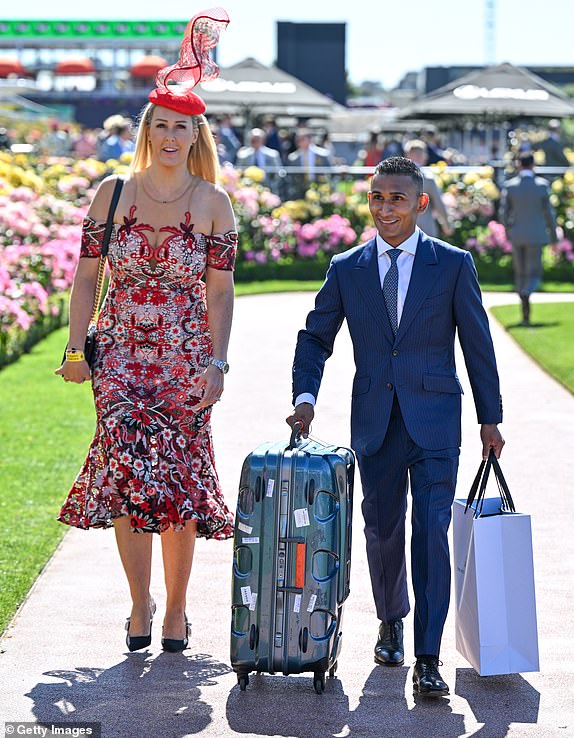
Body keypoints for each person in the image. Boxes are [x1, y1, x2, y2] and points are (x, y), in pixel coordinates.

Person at [287, 156, 504, 698]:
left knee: (430, 532)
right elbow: (315, 338)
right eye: (377, 197)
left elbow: (478, 345)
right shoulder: (347, 268)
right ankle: (391, 621)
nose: (386, 208)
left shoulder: (452, 265)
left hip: (435, 424)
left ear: (421, 204)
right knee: (382, 532)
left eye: (398, 198)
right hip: (376, 424)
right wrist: (305, 397)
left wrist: (490, 419)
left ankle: (427, 657)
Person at [55, 8, 235, 654]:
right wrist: (78, 349)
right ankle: (139, 604)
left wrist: (217, 365)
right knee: (130, 480)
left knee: (180, 484)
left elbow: (221, 291)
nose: (168, 136)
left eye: (179, 127)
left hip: (186, 361)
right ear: (146, 132)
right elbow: (86, 277)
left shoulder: (215, 204)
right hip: (121, 359)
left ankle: (178, 611)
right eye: (159, 125)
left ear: (195, 134)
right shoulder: (111, 193)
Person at [499, 151, 558, 325]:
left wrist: (509, 230)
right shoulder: (542, 185)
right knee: (534, 272)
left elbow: (503, 213)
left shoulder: (510, 186)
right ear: (533, 165)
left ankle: (524, 309)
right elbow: (550, 215)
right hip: (536, 234)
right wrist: (554, 238)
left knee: (520, 272)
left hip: (517, 234)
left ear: (519, 164)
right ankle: (526, 293)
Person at [404, 139, 453, 239]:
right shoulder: (427, 179)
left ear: (407, 156)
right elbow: (439, 205)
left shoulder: (395, 178)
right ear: (424, 156)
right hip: (426, 230)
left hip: (401, 231)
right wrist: (447, 225)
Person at [287, 128, 333, 199]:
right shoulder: (293, 158)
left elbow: (330, 172)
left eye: (302, 139)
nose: (299, 142)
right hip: (300, 191)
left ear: (309, 139)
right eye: (298, 140)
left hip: (319, 189)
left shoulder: (323, 155)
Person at [236, 127, 282, 192]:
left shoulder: (272, 155)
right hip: (248, 188)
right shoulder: (243, 155)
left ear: (263, 140)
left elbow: (278, 173)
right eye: (253, 140)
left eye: (257, 139)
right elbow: (239, 172)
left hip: (267, 187)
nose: (255, 142)